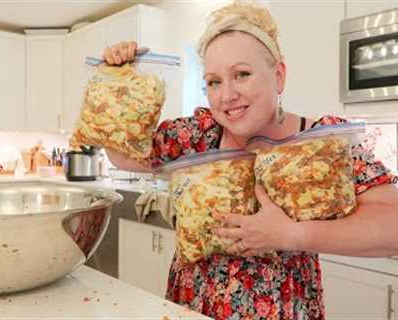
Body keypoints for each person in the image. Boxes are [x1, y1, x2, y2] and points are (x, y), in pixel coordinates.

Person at [101, 2, 398, 319]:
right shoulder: (197, 137)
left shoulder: (321, 143)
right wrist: (120, 81)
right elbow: (122, 155)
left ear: (279, 75)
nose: (226, 95)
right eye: (214, 81)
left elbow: (391, 226)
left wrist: (289, 234)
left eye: (241, 74)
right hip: (192, 308)